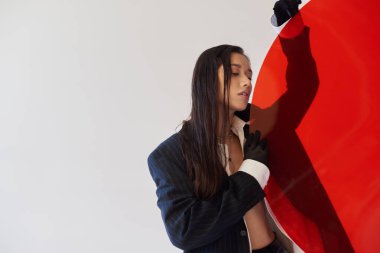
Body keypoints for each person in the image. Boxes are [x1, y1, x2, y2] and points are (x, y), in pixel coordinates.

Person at [147, 1, 303, 252]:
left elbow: (300, 94)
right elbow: (184, 231)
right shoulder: (168, 156)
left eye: (249, 75)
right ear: (207, 80)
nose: (247, 83)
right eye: (235, 73)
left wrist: (290, 30)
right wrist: (252, 171)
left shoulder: (257, 123)